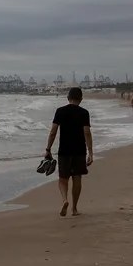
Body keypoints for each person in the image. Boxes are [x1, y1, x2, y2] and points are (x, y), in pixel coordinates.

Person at [43, 87, 93, 217]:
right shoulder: (84, 113)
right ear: (81, 99)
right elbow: (87, 132)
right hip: (79, 151)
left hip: (64, 151)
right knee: (77, 179)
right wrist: (90, 152)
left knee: (63, 179)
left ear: (68, 98)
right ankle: (75, 209)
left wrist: (48, 149)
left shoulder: (60, 111)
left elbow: (53, 131)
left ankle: (65, 200)